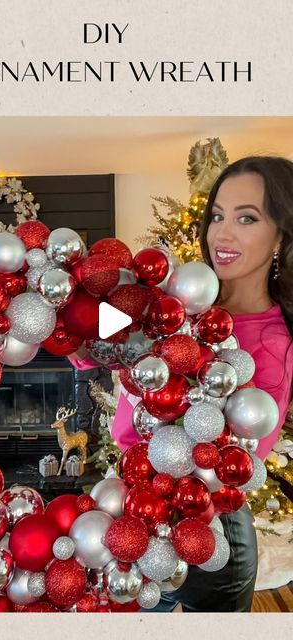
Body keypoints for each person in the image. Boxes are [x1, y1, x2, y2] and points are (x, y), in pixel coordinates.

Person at [69, 156, 293, 612]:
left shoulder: (268, 345)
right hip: (134, 512)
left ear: (281, 238)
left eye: (246, 218)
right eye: (217, 216)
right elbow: (97, 334)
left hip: (203, 534)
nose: (221, 235)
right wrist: (79, 327)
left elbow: (234, 463)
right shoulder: (177, 304)